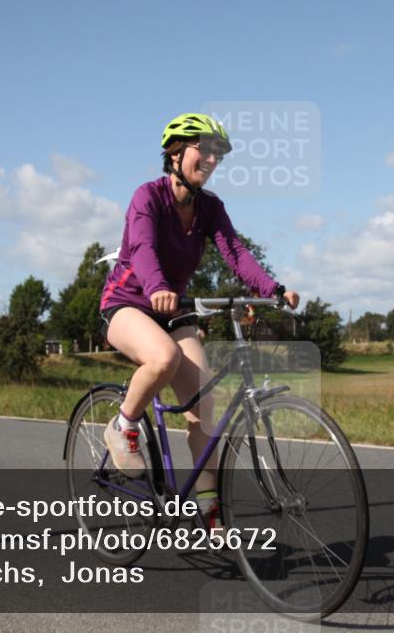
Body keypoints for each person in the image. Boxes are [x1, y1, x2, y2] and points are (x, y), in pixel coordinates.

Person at [99, 113, 299, 530]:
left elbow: (236, 253)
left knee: (203, 412)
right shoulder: (147, 197)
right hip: (128, 303)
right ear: (175, 153)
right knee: (162, 358)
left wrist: (273, 290)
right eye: (203, 150)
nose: (210, 160)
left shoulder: (210, 208)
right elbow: (143, 247)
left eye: (217, 154)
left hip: (173, 309)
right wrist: (156, 286)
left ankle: (209, 512)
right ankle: (122, 425)